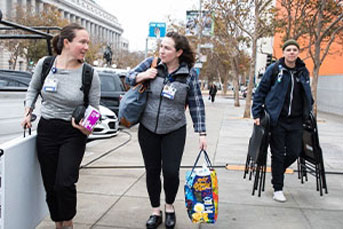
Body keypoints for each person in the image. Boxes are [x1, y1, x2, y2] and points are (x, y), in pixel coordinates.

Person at [21, 23, 100, 229]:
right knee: (50, 184)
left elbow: (95, 109)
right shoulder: (45, 64)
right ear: (66, 42)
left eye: (87, 43)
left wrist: (87, 128)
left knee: (64, 182)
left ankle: (69, 222)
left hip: (73, 133)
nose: (86, 47)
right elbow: (33, 89)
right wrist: (28, 112)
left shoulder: (89, 73)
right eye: (82, 42)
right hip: (47, 129)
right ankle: (58, 223)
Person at [126, 31, 207, 229]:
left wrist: (202, 132)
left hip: (174, 129)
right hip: (148, 129)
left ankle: (169, 206)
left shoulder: (189, 74)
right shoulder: (151, 64)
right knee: (152, 171)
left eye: (167, 48)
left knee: (171, 172)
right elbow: (128, 77)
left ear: (178, 52)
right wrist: (143, 75)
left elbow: (196, 104)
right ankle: (155, 211)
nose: (162, 51)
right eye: (161, 46)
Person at [252, 39, 313, 202]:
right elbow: (260, 92)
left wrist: (309, 111)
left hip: (296, 121)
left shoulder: (303, 72)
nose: (292, 52)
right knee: (277, 154)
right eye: (288, 50)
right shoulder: (274, 69)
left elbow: (307, 95)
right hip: (277, 120)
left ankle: (277, 171)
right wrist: (257, 113)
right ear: (284, 53)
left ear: (298, 53)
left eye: (294, 50)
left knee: (294, 152)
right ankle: (278, 188)